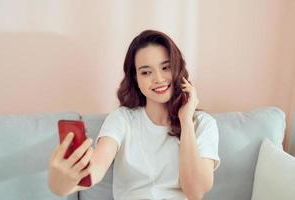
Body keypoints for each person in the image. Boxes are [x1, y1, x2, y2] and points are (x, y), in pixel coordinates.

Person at [48, 30, 220, 200]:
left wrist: (186, 122)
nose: (159, 79)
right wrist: (62, 183)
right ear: (136, 78)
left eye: (166, 67)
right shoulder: (122, 119)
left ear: (178, 69)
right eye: (146, 72)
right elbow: (97, 168)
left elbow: (195, 192)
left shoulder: (203, 124)